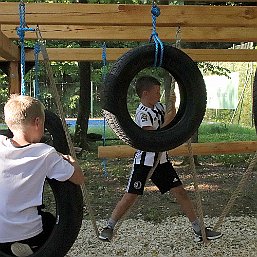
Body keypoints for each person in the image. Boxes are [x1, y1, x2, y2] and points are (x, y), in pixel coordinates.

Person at [99, 76, 222, 243]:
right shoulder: (142, 113)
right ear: (145, 93)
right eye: (156, 92)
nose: (159, 95)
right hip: (145, 161)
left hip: (162, 161)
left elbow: (171, 121)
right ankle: (109, 226)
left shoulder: (159, 107)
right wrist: (170, 117)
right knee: (131, 195)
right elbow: (153, 134)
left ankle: (198, 229)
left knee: (180, 191)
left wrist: (174, 106)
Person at [0, 95, 85, 257]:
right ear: (38, 122)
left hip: (0, 232)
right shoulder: (45, 154)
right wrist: (70, 160)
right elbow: (78, 178)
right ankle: (28, 247)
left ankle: (15, 247)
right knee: (55, 228)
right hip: (28, 232)